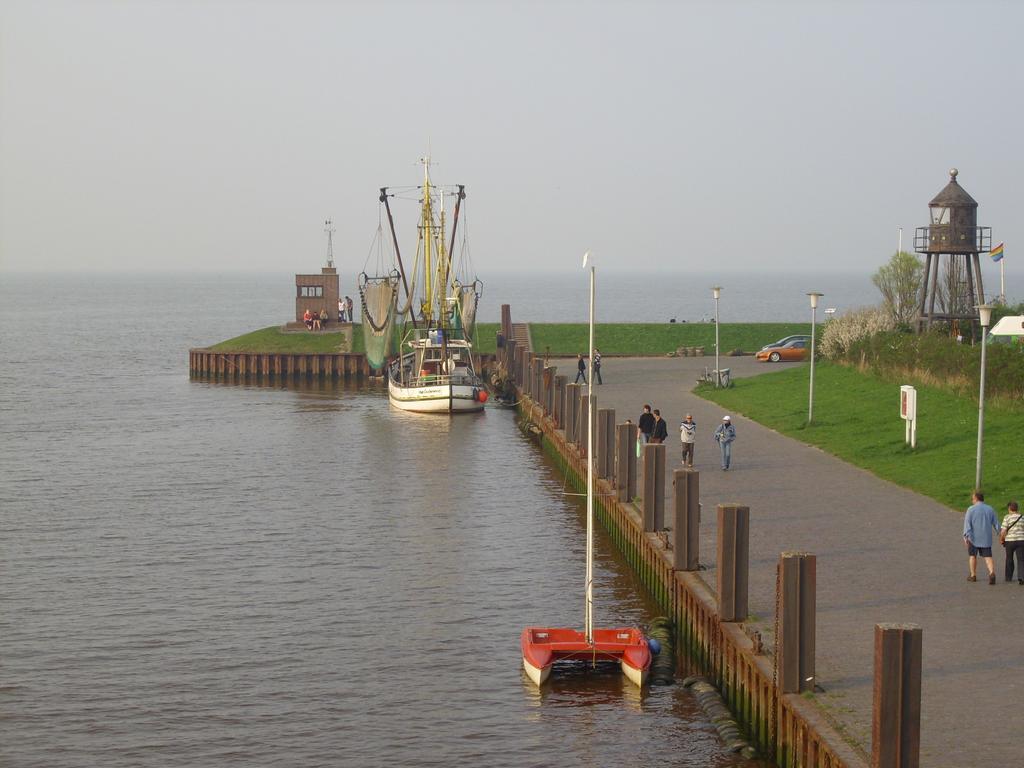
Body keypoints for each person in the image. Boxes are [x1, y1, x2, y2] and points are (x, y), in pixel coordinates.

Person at [963, 491, 1000, 584]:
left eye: (972, 498)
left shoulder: (971, 509)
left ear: (976, 499)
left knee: (972, 556)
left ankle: (973, 575)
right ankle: (992, 573)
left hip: (973, 538)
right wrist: (1000, 533)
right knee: (988, 556)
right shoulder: (990, 509)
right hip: (986, 538)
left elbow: (967, 524)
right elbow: (996, 523)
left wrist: (966, 536)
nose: (972, 500)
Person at [1000, 500, 1024, 584]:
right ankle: (1021, 577)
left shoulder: (1007, 517)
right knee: (1021, 559)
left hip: (1010, 541)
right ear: (1017, 508)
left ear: (1009, 508)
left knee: (1009, 559)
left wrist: (1002, 539)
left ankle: (1008, 577)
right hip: (1021, 540)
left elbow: (1003, 531)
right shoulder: (1022, 517)